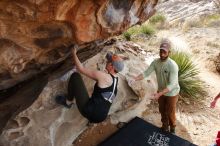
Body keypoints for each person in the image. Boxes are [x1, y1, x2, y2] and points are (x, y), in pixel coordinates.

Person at [55, 44, 124, 123]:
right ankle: (91, 119)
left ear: (112, 67)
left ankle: (68, 102)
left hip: (89, 112)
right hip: (102, 117)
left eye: (109, 61)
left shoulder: (104, 77)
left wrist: (73, 53)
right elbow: (101, 81)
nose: (106, 61)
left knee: (75, 76)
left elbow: (81, 69)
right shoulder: (115, 80)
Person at [133, 39, 180, 134]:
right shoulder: (155, 62)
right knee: (162, 110)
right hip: (161, 91)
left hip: (172, 93)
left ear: (169, 52)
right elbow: (146, 72)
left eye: (164, 52)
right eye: (161, 51)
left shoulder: (172, 66)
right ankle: (165, 126)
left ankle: (173, 129)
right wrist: (135, 78)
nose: (162, 54)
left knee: (170, 112)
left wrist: (159, 94)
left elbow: (172, 85)